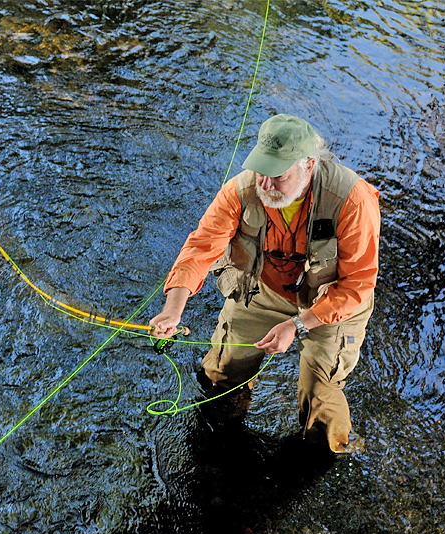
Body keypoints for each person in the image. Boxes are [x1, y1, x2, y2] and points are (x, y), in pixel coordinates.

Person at [149, 113, 380, 453]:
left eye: (278, 176)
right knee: (221, 372)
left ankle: (323, 457)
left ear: (309, 166)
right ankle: (220, 439)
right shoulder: (239, 191)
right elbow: (200, 249)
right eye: (261, 171)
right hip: (266, 290)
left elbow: (357, 286)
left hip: (330, 303)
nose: (266, 185)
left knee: (321, 398)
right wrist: (172, 311)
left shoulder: (353, 200)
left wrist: (298, 325)